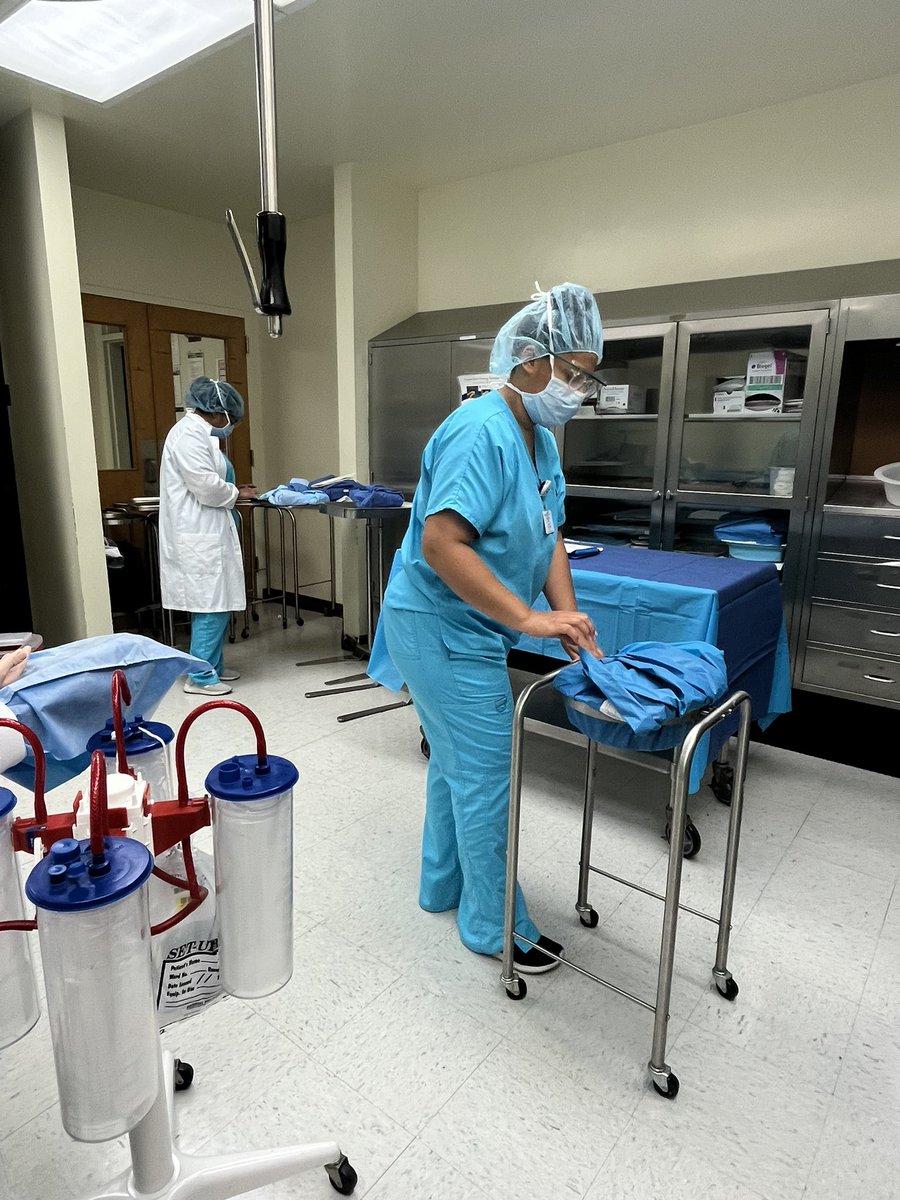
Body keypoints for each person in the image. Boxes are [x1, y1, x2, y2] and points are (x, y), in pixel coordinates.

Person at [380, 283, 604, 973]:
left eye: (586, 378)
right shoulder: (482, 432)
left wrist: (562, 614)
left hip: (468, 627)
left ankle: (443, 885)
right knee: (486, 775)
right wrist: (530, 618)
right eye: (573, 373)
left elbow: (550, 532)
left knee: (457, 766)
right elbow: (443, 544)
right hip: (440, 624)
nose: (578, 389)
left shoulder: (538, 439)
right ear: (530, 360)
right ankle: (494, 925)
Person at [158, 377, 257, 696]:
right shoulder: (188, 435)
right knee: (210, 604)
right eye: (230, 417)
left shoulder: (200, 434)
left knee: (219, 601)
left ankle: (212, 665)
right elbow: (205, 486)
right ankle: (199, 676)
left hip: (208, 531)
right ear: (217, 412)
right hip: (197, 535)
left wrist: (233, 492)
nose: (231, 424)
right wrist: (234, 493)